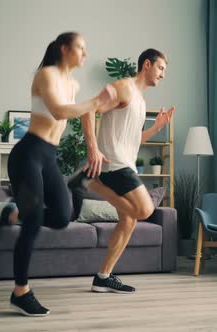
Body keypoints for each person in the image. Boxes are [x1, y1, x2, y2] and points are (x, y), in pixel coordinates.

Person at [8, 32, 116, 316]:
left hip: (49, 157)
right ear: (64, 49)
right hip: (28, 154)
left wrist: (96, 132)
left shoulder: (74, 83)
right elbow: (58, 111)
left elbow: (84, 112)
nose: (85, 53)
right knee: (32, 226)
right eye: (80, 47)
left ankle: (17, 214)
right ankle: (21, 292)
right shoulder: (46, 75)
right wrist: (95, 102)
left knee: (61, 217)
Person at [70, 48, 175, 294]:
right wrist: (93, 150)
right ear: (147, 64)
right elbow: (88, 110)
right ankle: (90, 184)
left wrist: (157, 127)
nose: (163, 75)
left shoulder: (139, 98)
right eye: (161, 68)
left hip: (123, 162)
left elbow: (133, 138)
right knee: (145, 209)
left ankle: (103, 277)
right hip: (113, 163)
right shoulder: (124, 87)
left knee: (128, 220)